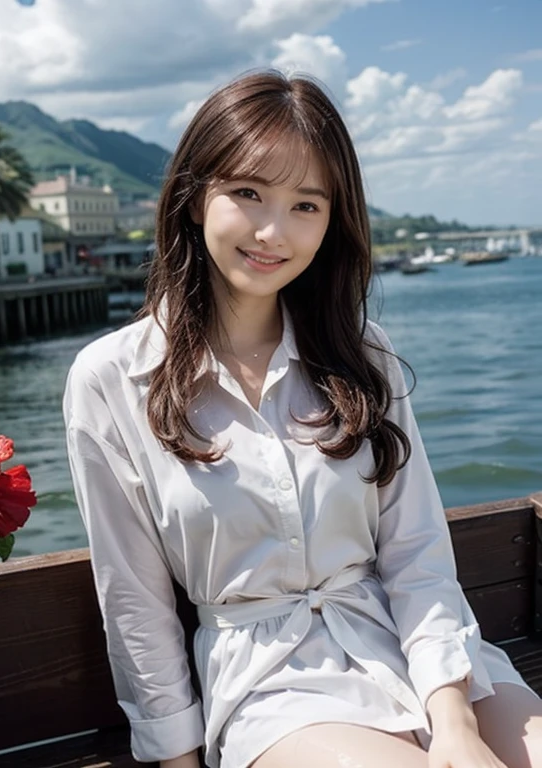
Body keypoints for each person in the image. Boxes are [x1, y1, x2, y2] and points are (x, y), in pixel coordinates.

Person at [63, 70, 542, 768]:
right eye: (247, 193)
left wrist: (456, 722)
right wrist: (178, 759)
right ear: (196, 198)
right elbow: (131, 597)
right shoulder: (111, 380)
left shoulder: (363, 355)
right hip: (273, 687)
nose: (271, 231)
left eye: (305, 205)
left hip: (415, 649)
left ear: (332, 220)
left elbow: (416, 553)